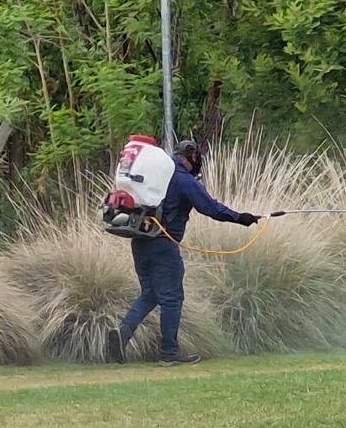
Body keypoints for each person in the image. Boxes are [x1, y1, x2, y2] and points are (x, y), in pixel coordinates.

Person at [107, 139, 259, 366]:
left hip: (140, 241)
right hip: (163, 246)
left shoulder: (156, 176)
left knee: (150, 294)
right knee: (172, 298)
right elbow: (211, 208)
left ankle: (122, 334)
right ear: (191, 157)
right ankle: (169, 353)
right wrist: (241, 218)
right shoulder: (183, 179)